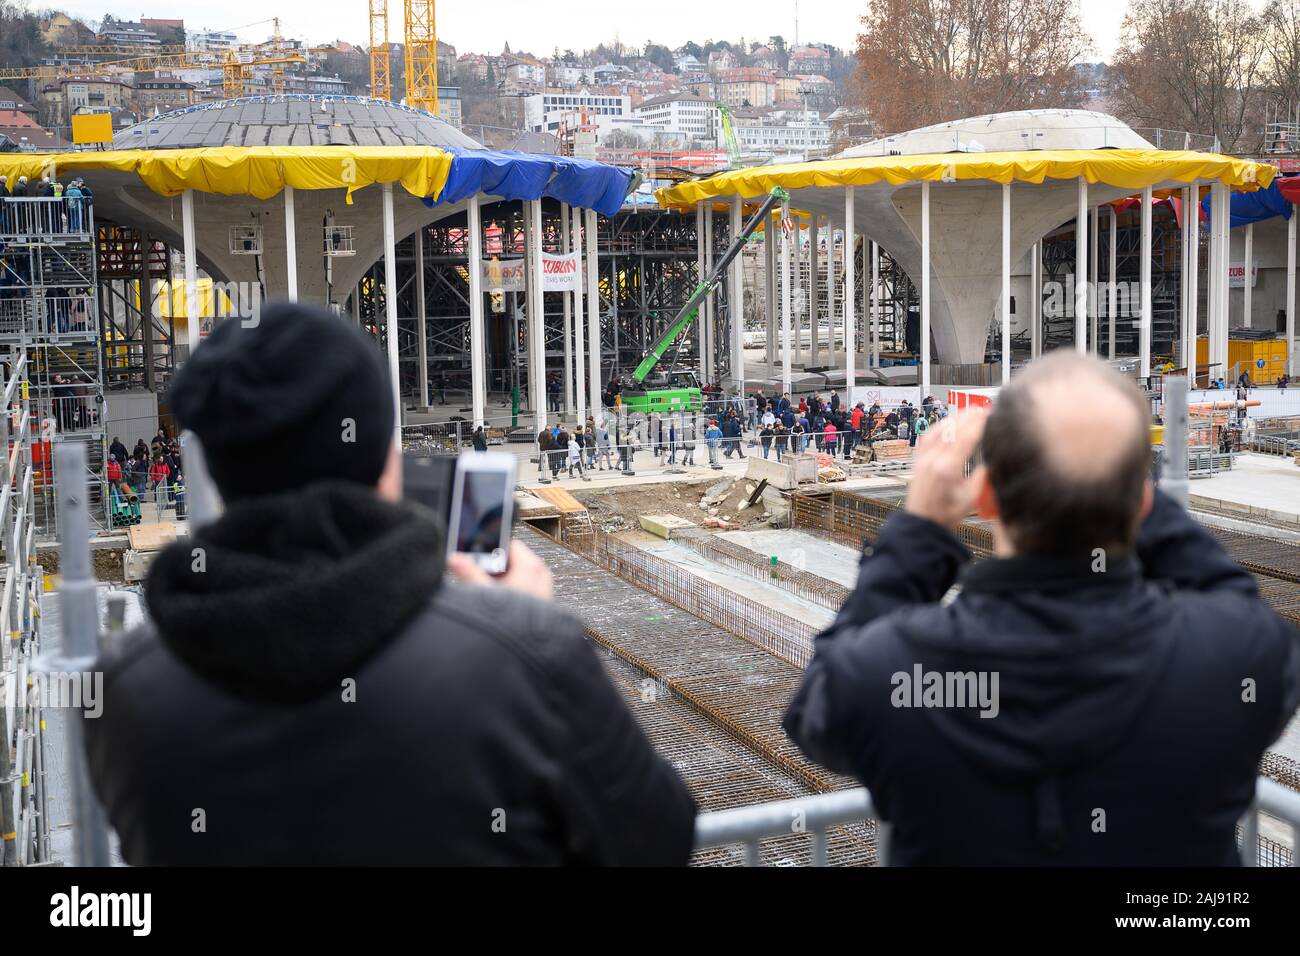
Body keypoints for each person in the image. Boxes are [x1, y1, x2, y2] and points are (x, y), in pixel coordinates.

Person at [84, 301, 696, 865]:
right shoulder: (521, 653)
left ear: (216, 468)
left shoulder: (123, 689)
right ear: (383, 453)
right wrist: (519, 634)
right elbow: (656, 839)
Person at [783, 352, 1300, 865]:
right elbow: (1226, 592)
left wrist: (919, 526)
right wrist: (1111, 477)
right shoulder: (1238, 658)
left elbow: (817, 713)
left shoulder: (890, 671)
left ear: (984, 498)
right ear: (1142, 504)